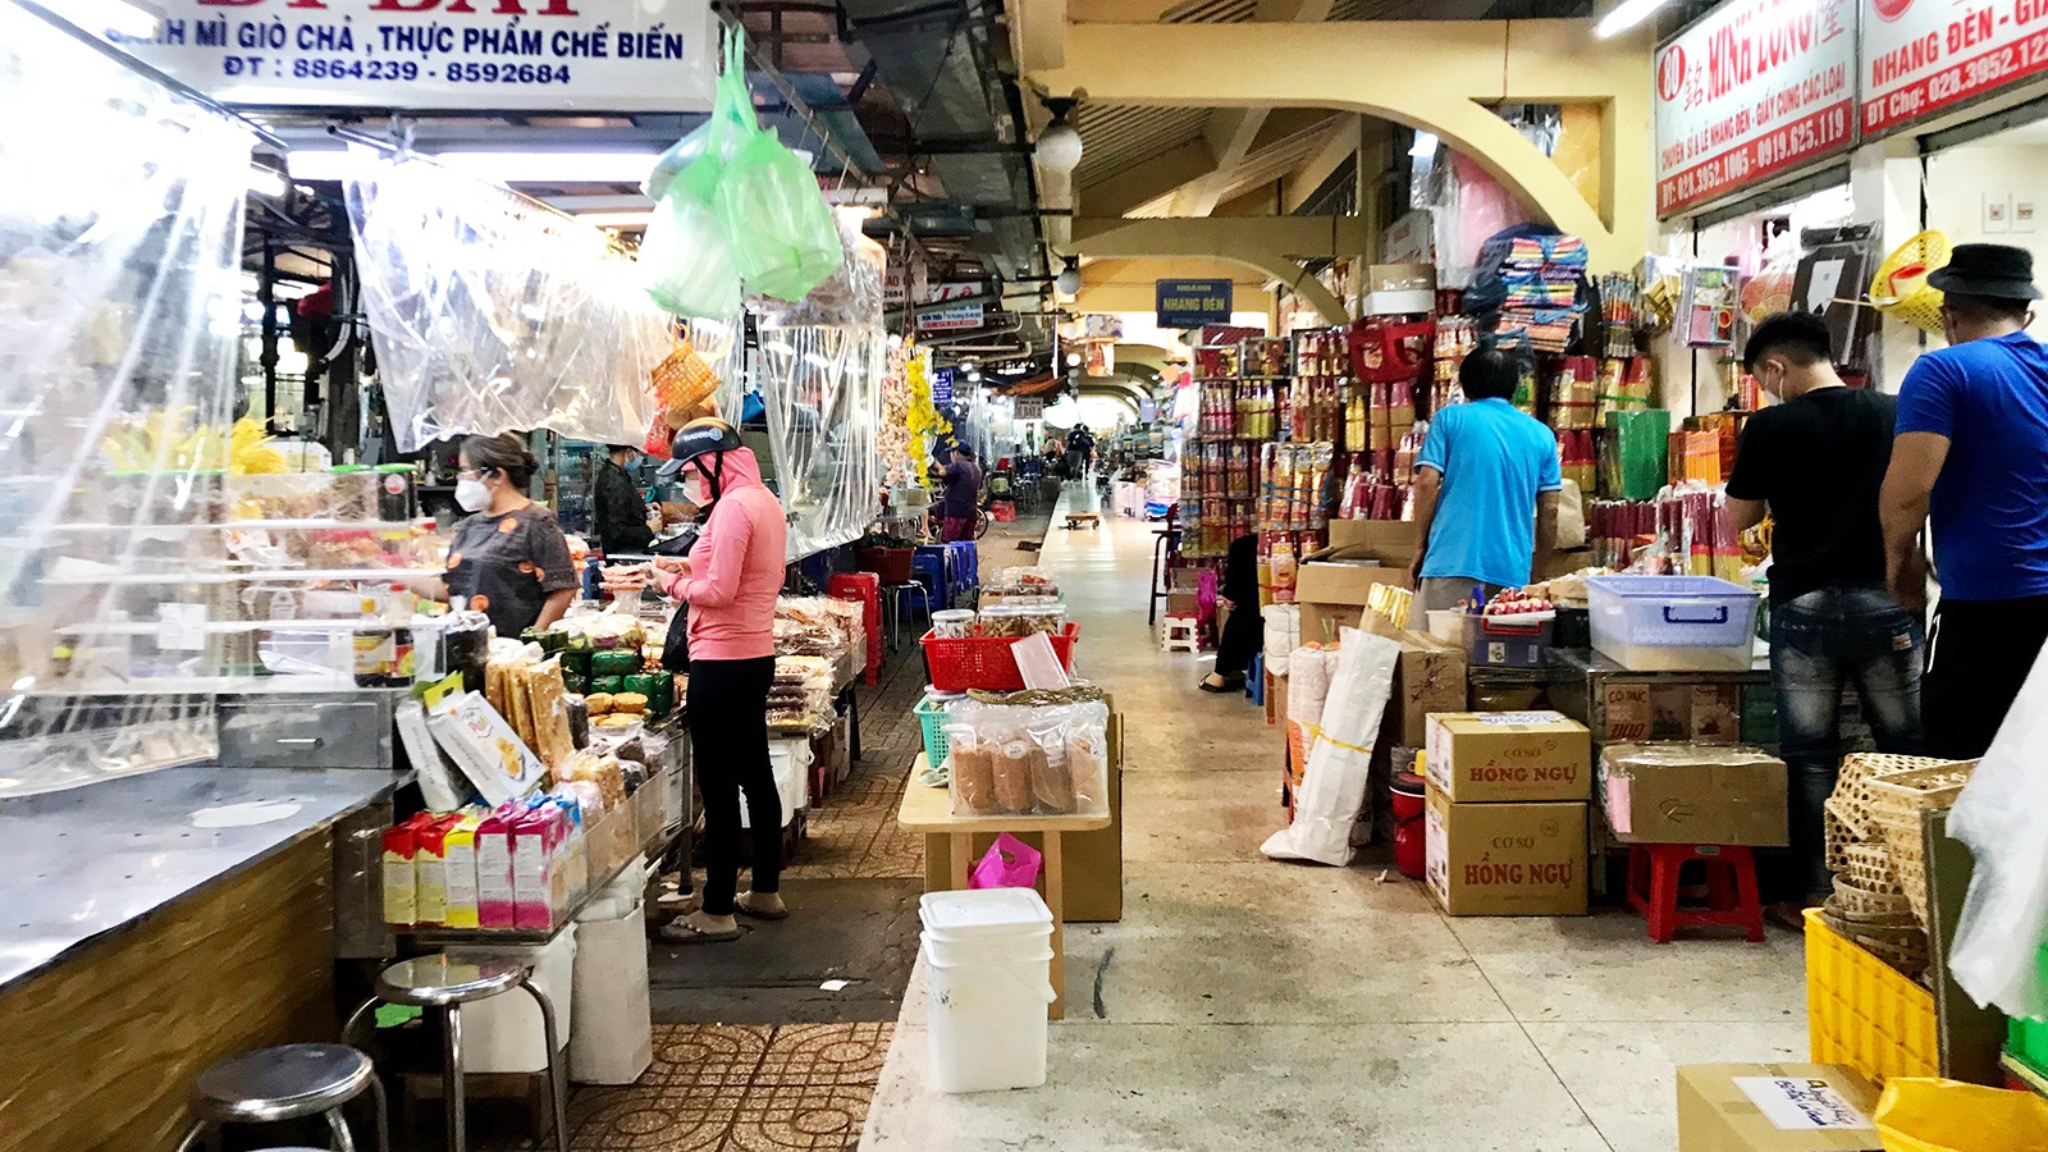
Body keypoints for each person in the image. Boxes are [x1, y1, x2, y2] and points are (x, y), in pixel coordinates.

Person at [1724, 311, 1921, 907]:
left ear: (1777, 368)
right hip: (1886, 600)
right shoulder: (1895, 414)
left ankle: (1816, 893)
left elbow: (1740, 519)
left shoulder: (1770, 426)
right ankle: (1906, 889)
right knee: (1907, 750)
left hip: (1804, 604)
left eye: (1762, 376)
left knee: (1810, 754)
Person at [1880, 243, 2048, 760]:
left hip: (1990, 608)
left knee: (1964, 769)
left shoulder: (1943, 371)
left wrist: (1899, 561)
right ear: (2027, 314)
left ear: (1948, 313)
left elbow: (1909, 492)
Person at [650, 417, 790, 943]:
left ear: (712, 464)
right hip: (753, 655)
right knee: (754, 773)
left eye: (689, 471)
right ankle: (765, 890)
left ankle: (716, 909)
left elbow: (720, 590)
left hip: (723, 660)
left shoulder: (733, 508)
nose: (687, 481)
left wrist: (669, 583)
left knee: (720, 783)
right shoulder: (760, 500)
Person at [1409, 346, 1561, 615]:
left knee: (1439, 651)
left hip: (1450, 562)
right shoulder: (1542, 435)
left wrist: (1420, 545)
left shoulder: (1449, 419)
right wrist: (1538, 568)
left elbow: (1426, 483)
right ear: (1513, 387)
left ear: (1465, 385)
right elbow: (1550, 510)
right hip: (1512, 573)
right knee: (1498, 653)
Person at [442, 433, 578, 637]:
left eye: (466, 470)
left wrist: (531, 642)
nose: (462, 479)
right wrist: (387, 573)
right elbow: (451, 586)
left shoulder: (536, 522)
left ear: (497, 475)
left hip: (511, 652)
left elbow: (563, 589)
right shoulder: (470, 526)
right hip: (465, 646)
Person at [1200, 533, 1261, 693]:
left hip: (1250, 609)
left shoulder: (1245, 546)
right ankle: (1234, 668)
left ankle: (1220, 673)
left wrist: (1231, 595)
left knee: (1242, 617)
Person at [591, 443, 655, 556]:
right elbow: (617, 532)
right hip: (622, 553)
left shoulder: (615, 475)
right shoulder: (614, 482)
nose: (639, 459)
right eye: (639, 454)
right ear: (629, 452)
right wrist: (649, 529)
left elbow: (623, 506)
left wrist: (642, 508)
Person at [937, 444, 982, 542]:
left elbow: (942, 472)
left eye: (951, 453)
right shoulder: (976, 468)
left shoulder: (958, 465)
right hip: (971, 512)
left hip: (956, 513)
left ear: (956, 453)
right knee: (966, 543)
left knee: (949, 543)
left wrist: (933, 462)